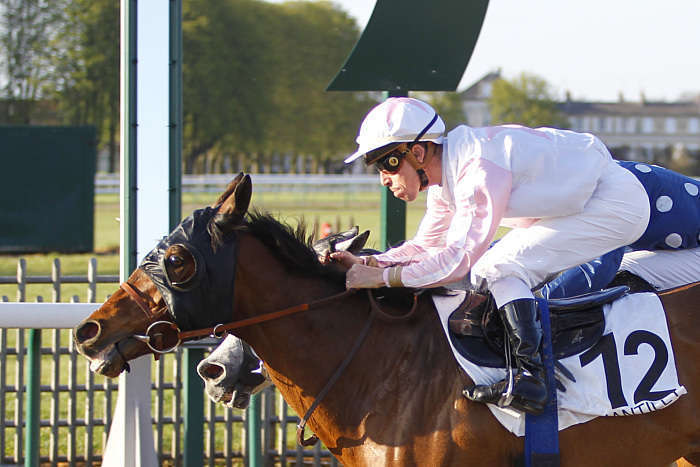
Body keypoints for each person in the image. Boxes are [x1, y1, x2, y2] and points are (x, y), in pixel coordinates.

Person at [331, 97, 653, 415]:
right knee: (494, 267)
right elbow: (425, 246)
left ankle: (532, 378)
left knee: (496, 267)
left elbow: (457, 261)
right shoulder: (448, 177)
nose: (383, 179)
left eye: (386, 164)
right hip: (580, 205)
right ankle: (527, 370)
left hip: (612, 205)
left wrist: (382, 278)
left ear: (417, 153)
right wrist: (372, 263)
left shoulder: (476, 170)